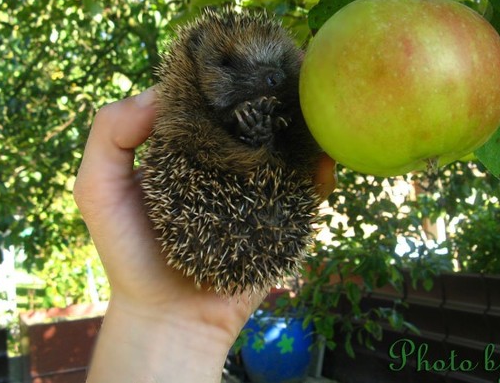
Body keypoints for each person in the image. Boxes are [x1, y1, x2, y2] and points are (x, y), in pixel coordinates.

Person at [73, 87, 336, 382]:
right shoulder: (189, 111)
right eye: (229, 64)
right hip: (234, 187)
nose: (263, 78)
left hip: (263, 209)